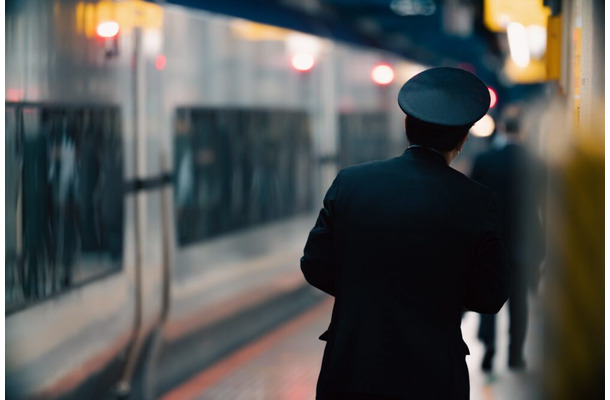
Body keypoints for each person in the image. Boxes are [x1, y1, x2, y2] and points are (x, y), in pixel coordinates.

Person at [301, 67, 510, 400]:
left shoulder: (351, 183)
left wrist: (363, 289)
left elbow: (314, 265)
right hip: (433, 377)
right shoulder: (477, 201)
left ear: (406, 126)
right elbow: (490, 296)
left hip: (352, 369)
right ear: (463, 138)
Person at [470, 105, 546, 372]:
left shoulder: (485, 161)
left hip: (491, 244)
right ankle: (515, 356)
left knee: (488, 297)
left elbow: (474, 204)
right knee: (519, 304)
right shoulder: (536, 161)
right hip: (523, 244)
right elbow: (544, 206)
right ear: (522, 129)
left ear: (501, 127)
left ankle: (489, 351)